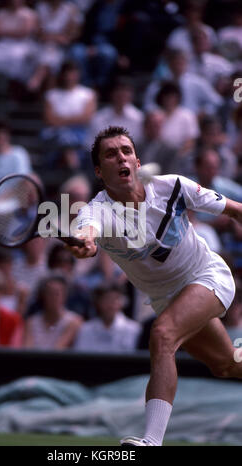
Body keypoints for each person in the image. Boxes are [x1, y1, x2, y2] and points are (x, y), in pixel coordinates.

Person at [67, 126, 242, 447]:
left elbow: (235, 211)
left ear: (136, 161)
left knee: (162, 335)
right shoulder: (95, 211)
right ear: (98, 171)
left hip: (208, 276)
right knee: (228, 365)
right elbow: (88, 236)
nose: (120, 156)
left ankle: (151, 442)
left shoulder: (173, 187)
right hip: (167, 299)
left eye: (126, 151)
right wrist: (85, 245)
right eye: (110, 153)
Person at [73, 283, 141, 352]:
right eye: (106, 298)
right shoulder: (86, 329)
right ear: (98, 302)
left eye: (116, 298)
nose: (111, 304)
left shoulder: (134, 329)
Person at [23, 274, 82, 349]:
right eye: (49, 293)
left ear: (65, 295)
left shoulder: (74, 321)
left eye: (57, 294)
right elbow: (27, 350)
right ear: (42, 296)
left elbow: (57, 351)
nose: (53, 298)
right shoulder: (31, 322)